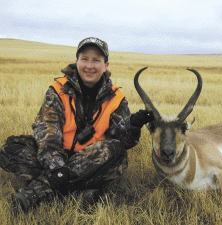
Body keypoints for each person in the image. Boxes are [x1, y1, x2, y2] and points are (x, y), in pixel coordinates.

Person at [0, 37, 153, 213]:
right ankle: (80, 191)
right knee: (10, 147)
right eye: (85, 59)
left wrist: (133, 125)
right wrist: (56, 167)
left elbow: (123, 140)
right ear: (76, 62)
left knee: (115, 149)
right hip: (57, 156)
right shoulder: (58, 90)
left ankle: (36, 192)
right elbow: (46, 132)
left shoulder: (116, 98)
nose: (90, 65)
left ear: (105, 65)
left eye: (96, 60)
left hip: (91, 161)